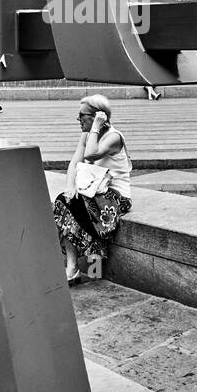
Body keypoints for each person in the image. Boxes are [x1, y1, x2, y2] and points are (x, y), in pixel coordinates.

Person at [53, 94, 132, 285]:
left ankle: (80, 269)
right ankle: (73, 267)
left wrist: (96, 127)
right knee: (66, 201)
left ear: (98, 116)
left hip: (116, 197)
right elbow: (74, 164)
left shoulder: (113, 137)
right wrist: (70, 187)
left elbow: (90, 154)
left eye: (82, 115)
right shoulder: (87, 135)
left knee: (75, 207)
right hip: (93, 193)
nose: (78, 119)